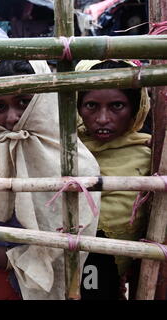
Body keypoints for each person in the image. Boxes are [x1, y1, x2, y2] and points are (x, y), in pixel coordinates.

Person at [0, 60, 101, 300]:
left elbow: (62, 253)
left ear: (44, 98)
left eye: (23, 102)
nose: (12, 118)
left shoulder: (75, 162)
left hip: (34, 286)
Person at [76, 60, 152, 300]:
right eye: (91, 106)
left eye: (117, 106)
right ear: (76, 106)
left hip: (122, 263)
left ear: (135, 108)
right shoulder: (63, 148)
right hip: (67, 254)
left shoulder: (150, 155)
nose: (102, 118)